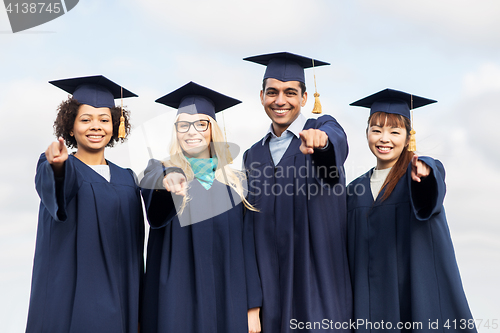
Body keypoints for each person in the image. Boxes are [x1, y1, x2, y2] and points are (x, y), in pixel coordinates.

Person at [347, 89, 476, 333]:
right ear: (367, 134)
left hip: (412, 301)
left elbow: (432, 187)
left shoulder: (415, 177)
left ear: (408, 138)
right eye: (376, 130)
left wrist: (427, 173)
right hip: (368, 309)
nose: (384, 138)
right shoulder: (354, 191)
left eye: (395, 132)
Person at [139, 81, 262, 333]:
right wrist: (169, 176)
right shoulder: (160, 173)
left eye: (200, 124)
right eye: (183, 125)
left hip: (226, 299)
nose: (191, 131)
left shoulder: (236, 186)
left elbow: (247, 250)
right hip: (175, 300)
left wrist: (252, 309)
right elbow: (152, 180)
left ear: (213, 130)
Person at [242, 52, 351, 332]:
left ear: (304, 98)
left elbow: (334, 148)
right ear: (262, 96)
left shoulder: (322, 129)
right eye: (272, 92)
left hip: (315, 286)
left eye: (290, 92)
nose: (280, 101)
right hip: (270, 294)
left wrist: (322, 144)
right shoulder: (253, 156)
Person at [26, 75, 144, 333]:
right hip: (73, 299)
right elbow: (57, 191)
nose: (96, 126)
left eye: (104, 120)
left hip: (122, 299)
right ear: (70, 127)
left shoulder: (127, 178)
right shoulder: (61, 167)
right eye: (85, 119)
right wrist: (57, 166)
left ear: (115, 127)